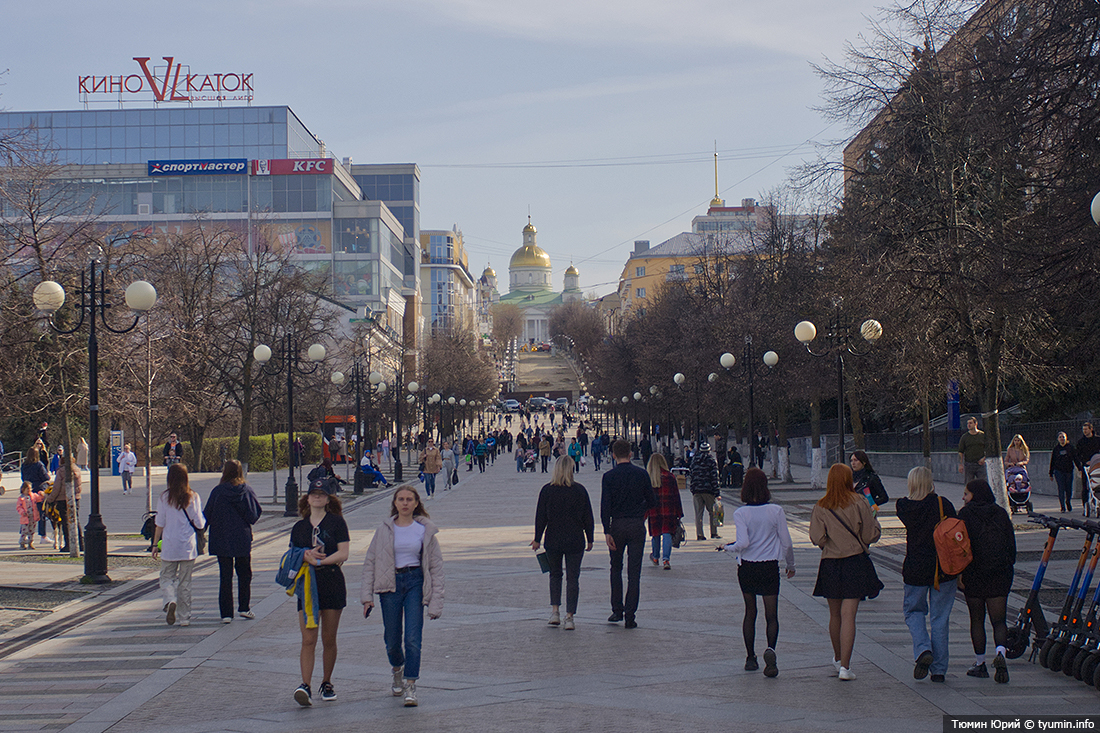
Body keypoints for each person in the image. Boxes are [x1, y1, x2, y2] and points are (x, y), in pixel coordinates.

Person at [361, 487, 444, 708]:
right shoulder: (385, 530)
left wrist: (436, 601)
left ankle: (410, 684)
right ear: (395, 503)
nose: (405, 503)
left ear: (416, 503)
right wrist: (366, 596)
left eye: (409, 499)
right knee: (392, 640)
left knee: (413, 639)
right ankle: (397, 667)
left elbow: (435, 566)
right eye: (401, 499)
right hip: (390, 584)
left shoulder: (424, 530)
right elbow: (370, 562)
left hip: (415, 581)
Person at [719, 467, 795, 677]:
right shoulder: (776, 511)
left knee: (750, 612)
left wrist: (728, 547)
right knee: (772, 615)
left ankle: (750, 658)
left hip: (748, 567)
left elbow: (743, 542)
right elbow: (786, 543)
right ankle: (770, 652)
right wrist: (790, 565)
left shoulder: (741, 513)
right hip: (769, 566)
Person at [809, 463, 883, 681]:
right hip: (854, 562)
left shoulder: (821, 506)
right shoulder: (860, 502)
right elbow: (870, 535)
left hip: (830, 563)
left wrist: (830, 543)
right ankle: (846, 668)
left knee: (834, 615)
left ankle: (838, 658)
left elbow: (816, 538)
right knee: (849, 615)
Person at [289, 480, 351, 706]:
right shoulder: (299, 527)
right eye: (313, 494)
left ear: (328, 499)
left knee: (328, 638)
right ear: (307, 498)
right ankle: (305, 684)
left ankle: (326, 681)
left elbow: (344, 553)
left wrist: (318, 561)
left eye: (321, 494)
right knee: (308, 638)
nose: (316, 497)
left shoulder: (337, 522)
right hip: (307, 586)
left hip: (332, 580)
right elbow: (293, 554)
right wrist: (306, 556)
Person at [895, 466, 956, 684]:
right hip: (943, 569)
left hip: (915, 569)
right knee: (940, 619)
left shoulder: (903, 506)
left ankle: (922, 649)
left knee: (913, 612)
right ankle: (939, 670)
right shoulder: (943, 504)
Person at [958, 479, 1016, 684]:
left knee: (977, 620)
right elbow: (1011, 544)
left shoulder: (964, 515)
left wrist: (960, 573)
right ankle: (1000, 654)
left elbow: (959, 547)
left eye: (966, 494)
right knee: (999, 621)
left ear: (974, 494)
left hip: (974, 574)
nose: (963, 498)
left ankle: (980, 664)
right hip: (999, 574)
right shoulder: (1000, 513)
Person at [532, 455, 594, 630]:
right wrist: (590, 538)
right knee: (573, 578)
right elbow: (588, 517)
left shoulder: (547, 491)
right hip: (575, 539)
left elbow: (540, 518)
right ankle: (570, 617)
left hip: (553, 539)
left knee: (555, 575)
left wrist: (537, 538)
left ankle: (555, 612)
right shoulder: (580, 490)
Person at [601, 439, 657, 629]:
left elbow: (604, 507)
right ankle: (630, 615)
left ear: (614, 455)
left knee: (615, 568)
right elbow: (652, 501)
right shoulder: (641, 474)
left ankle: (617, 610)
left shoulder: (608, 477)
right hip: (635, 525)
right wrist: (640, 510)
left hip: (616, 525)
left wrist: (606, 531)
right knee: (634, 572)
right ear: (631, 454)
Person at [203, 460, 263, 624]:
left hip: (221, 538)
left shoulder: (217, 492)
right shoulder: (246, 491)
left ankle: (226, 613)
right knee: (244, 574)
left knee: (225, 576)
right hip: (241, 538)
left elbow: (206, 515)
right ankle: (244, 607)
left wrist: (200, 532)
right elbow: (254, 514)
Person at [152, 464, 205, 628]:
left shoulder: (164, 498)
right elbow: (200, 522)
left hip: (169, 544)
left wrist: (155, 544)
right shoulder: (193, 496)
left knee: (166, 577)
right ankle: (184, 617)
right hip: (187, 545)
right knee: (185, 582)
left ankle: (170, 599)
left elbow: (159, 523)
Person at [645, 453, 683, 570]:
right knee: (667, 534)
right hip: (668, 510)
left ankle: (655, 557)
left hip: (653, 511)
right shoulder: (670, 477)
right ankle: (666, 560)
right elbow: (676, 496)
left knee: (656, 534)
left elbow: (644, 498)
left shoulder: (649, 478)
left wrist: (644, 514)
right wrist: (679, 513)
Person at [49, 455, 81, 552]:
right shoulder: (77, 469)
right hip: (76, 498)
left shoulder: (61, 471)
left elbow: (57, 487)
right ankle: (80, 542)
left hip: (63, 499)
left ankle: (69, 544)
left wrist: (50, 499)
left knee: (66, 522)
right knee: (75, 519)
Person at [690, 442, 721, 541]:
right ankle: (714, 532)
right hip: (708, 490)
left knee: (698, 513)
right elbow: (714, 477)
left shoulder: (694, 460)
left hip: (696, 490)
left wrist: (693, 488)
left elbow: (691, 474)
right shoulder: (711, 460)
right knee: (713, 512)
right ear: (709, 450)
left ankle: (699, 534)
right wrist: (717, 492)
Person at [21, 447, 51, 547]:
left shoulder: (24, 465)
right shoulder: (39, 465)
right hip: (38, 492)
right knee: (41, 514)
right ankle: (43, 536)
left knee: (26, 515)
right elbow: (46, 478)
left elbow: (23, 478)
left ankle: (23, 536)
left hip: (27, 492)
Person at [1075, 423, 1100, 513]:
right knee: (1086, 486)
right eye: (1083, 429)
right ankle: (1085, 505)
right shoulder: (1081, 442)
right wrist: (1083, 463)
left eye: (1086, 429)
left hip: (1097, 466)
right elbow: (1077, 455)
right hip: (1086, 467)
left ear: (1091, 429)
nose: (1084, 431)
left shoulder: (1097, 440)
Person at [1050, 432, 1076, 513]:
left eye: (1063, 437)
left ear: (1066, 438)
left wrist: (1080, 468)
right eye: (1060, 437)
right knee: (1061, 489)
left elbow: (1075, 458)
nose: (1062, 439)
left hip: (1068, 471)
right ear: (1058, 439)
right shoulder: (1056, 449)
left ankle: (1068, 501)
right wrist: (1051, 473)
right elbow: (1053, 461)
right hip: (1058, 471)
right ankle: (1062, 506)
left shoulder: (1070, 448)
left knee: (1068, 488)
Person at [957, 417, 986, 484]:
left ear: (975, 424)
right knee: (969, 484)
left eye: (970, 423)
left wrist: (984, 458)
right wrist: (960, 464)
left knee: (983, 484)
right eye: (967, 423)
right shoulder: (965, 437)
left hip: (980, 464)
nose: (969, 425)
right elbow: (960, 451)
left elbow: (988, 448)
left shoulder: (982, 435)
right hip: (969, 464)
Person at [16, 481, 43, 550]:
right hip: (25, 518)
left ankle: (30, 543)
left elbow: (39, 499)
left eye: (30, 488)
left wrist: (41, 494)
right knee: (24, 531)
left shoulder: (33, 496)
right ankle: (22, 543)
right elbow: (18, 507)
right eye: (27, 488)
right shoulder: (21, 498)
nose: (29, 490)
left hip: (33, 517)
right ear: (23, 489)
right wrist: (22, 512)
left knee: (31, 531)